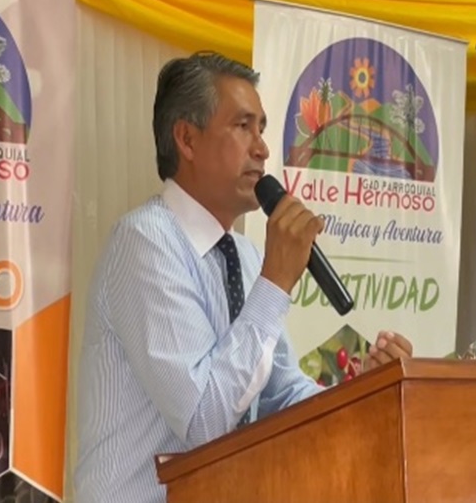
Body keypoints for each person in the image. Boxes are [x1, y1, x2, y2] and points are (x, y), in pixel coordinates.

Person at [74, 51, 414, 502]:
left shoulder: (248, 256)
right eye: (242, 126)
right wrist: (275, 282)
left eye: (262, 129)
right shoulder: (144, 242)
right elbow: (205, 423)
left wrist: (363, 393)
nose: (262, 149)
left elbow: (278, 398)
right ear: (187, 139)